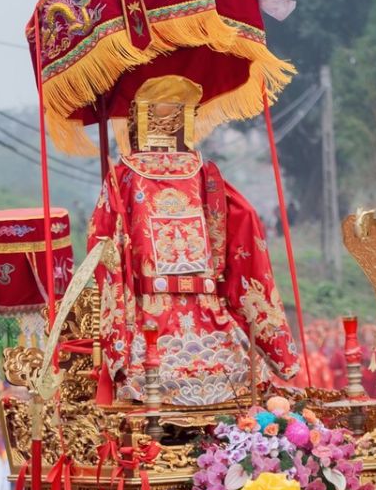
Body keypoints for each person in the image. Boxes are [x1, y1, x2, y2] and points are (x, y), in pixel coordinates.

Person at [85, 74, 301, 405]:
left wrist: (118, 333)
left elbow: (105, 245)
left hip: (151, 328)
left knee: (140, 397)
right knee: (245, 393)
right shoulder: (206, 174)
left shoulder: (122, 177)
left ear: (136, 120)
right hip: (212, 329)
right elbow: (244, 233)